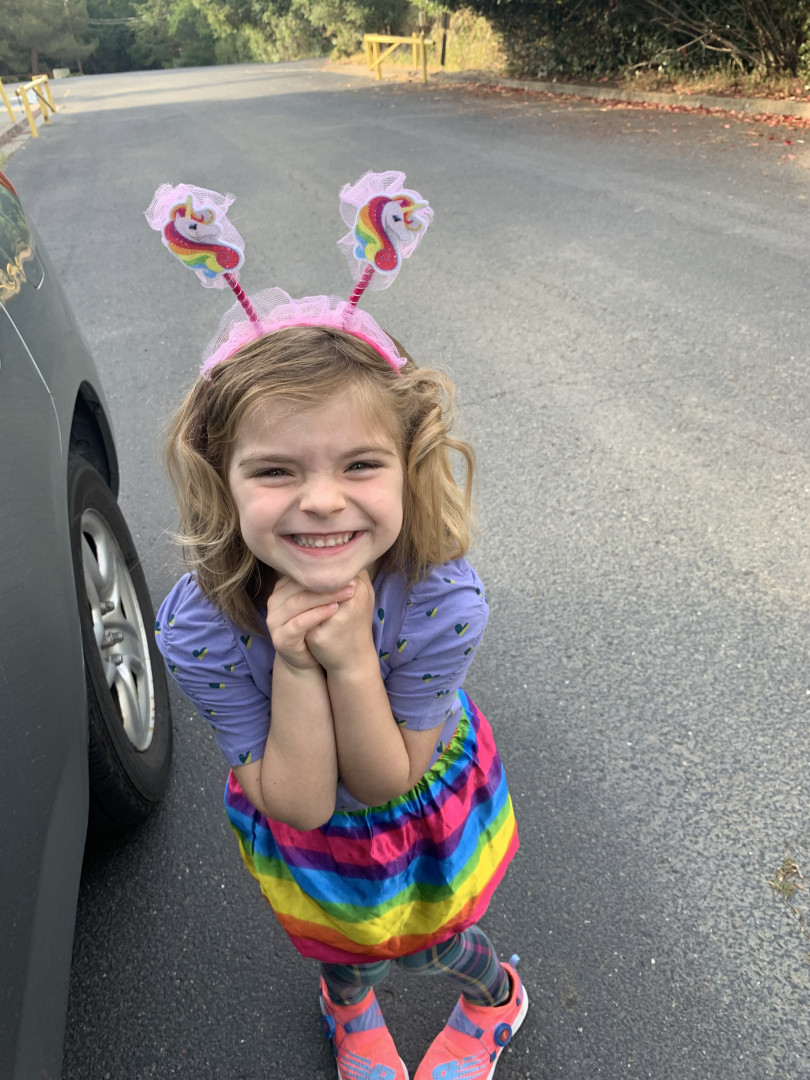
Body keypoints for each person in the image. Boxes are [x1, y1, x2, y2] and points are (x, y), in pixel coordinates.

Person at [152, 175, 527, 1080]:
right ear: (219, 479)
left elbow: (385, 778)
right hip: (309, 835)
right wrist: (291, 662)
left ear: (409, 464)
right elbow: (305, 803)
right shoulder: (202, 627)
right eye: (275, 470)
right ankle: (347, 1000)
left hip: (421, 813)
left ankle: (495, 997)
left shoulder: (441, 600)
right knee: (340, 941)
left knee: (434, 941)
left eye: (360, 463)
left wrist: (351, 656)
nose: (322, 500)